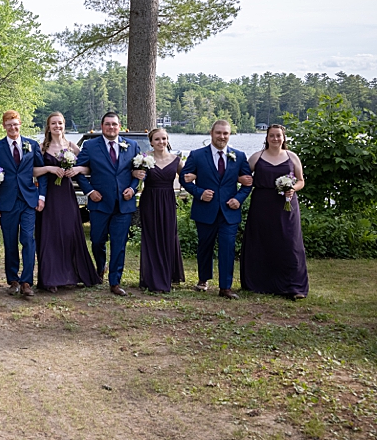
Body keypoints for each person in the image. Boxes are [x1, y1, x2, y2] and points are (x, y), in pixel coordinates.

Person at [180, 119, 253, 299]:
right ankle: (203, 279)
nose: (222, 136)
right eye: (219, 133)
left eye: (225, 133)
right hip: (205, 210)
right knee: (205, 247)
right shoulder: (197, 155)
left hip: (229, 211)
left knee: (227, 248)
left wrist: (239, 199)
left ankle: (225, 287)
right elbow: (184, 179)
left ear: (229, 135)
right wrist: (199, 193)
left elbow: (248, 183)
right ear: (211, 133)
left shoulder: (240, 156)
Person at [74, 111, 140, 297]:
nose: (111, 127)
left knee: (119, 244)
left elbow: (139, 170)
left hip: (123, 204)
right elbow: (79, 171)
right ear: (102, 126)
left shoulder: (131, 145)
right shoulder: (90, 145)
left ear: (120, 126)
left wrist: (133, 188)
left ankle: (115, 282)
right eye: (108, 124)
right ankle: (100, 266)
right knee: (97, 241)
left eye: (114, 124)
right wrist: (89, 191)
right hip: (99, 202)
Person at [240, 124, 309, 299]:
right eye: (272, 135)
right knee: (262, 242)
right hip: (262, 205)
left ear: (284, 138)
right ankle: (259, 283)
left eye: (278, 136)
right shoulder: (257, 157)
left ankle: (293, 286)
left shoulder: (292, 157)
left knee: (289, 243)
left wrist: (293, 188)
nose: (275, 139)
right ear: (267, 138)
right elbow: (243, 177)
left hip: (286, 206)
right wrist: (242, 179)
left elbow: (301, 181)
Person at [33, 112, 98, 292]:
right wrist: (49, 168)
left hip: (67, 194)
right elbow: (32, 172)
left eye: (60, 123)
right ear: (48, 126)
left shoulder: (72, 147)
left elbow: (88, 167)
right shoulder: (41, 148)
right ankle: (51, 278)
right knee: (49, 235)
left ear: (64, 124)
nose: (57, 126)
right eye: (53, 123)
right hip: (49, 194)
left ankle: (70, 275)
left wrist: (76, 169)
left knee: (69, 233)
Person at [0, 110, 47, 297]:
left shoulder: (32, 145)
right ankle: (12, 279)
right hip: (7, 202)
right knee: (10, 241)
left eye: (15, 124)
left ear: (20, 124)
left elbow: (41, 172)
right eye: (9, 124)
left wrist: (41, 197)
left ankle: (26, 281)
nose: (13, 127)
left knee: (28, 240)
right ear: (4, 126)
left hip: (29, 200)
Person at [135, 128, 186, 293]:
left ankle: (167, 275)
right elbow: (131, 175)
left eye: (164, 138)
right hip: (149, 200)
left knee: (168, 237)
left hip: (168, 201)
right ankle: (153, 278)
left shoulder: (176, 160)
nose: (161, 142)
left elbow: (187, 178)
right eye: (157, 139)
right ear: (151, 142)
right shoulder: (144, 159)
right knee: (151, 237)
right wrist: (135, 173)